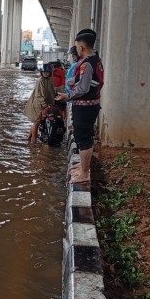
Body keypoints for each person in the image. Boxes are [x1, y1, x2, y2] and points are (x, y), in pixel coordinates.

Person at [56, 29, 104, 184]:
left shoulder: (87, 65)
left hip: (85, 107)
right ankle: (83, 167)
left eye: (77, 47)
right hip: (89, 105)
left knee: (84, 139)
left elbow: (82, 89)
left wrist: (67, 96)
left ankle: (84, 173)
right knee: (83, 137)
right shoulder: (94, 59)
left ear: (82, 47)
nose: (76, 50)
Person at [24, 64, 56, 143]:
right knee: (37, 122)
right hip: (38, 104)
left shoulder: (49, 80)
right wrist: (44, 104)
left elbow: (52, 92)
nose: (45, 74)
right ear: (41, 72)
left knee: (37, 122)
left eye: (47, 72)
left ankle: (29, 139)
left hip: (45, 104)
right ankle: (33, 141)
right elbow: (39, 95)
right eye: (44, 72)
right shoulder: (40, 80)